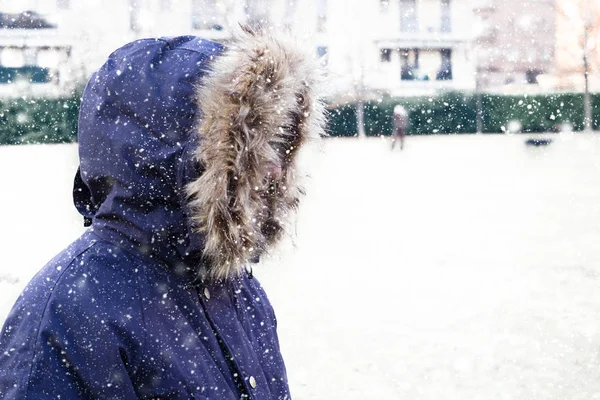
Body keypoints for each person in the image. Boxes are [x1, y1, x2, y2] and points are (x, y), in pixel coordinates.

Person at [0, 27, 325, 399]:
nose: (274, 170)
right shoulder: (70, 313)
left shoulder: (239, 290)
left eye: (278, 145)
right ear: (179, 156)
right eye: (253, 148)